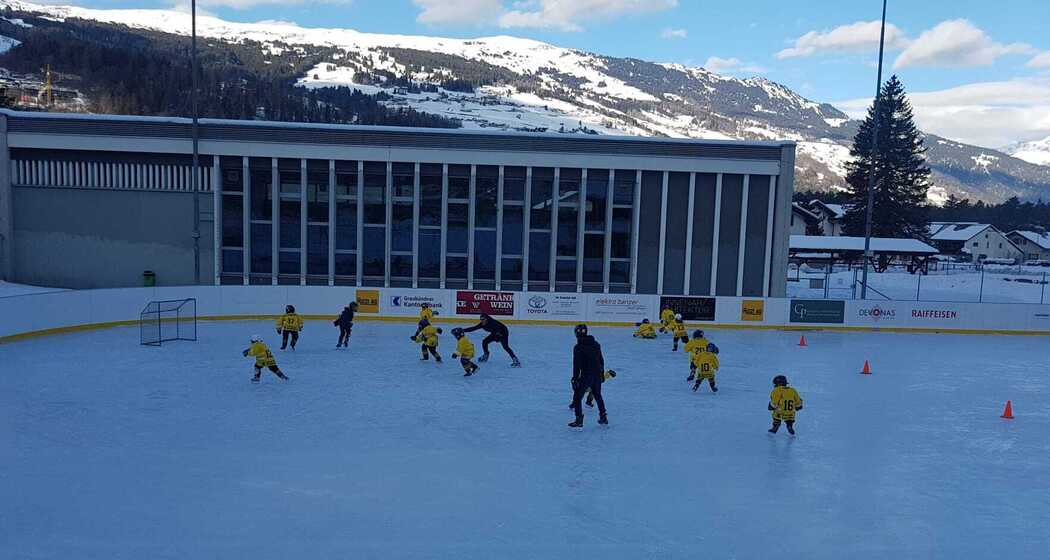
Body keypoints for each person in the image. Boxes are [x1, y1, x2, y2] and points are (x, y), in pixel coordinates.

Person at [568, 324, 608, 427]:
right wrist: (602, 374)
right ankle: (603, 417)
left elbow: (577, 365)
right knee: (598, 395)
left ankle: (579, 420)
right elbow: (601, 360)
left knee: (577, 397)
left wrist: (575, 378)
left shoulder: (578, 347)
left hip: (587, 375)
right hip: (597, 374)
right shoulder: (596, 344)